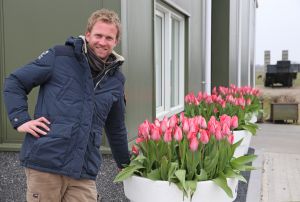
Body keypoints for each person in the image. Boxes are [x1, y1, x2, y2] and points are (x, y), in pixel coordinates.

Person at [3, 9, 130, 201]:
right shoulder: (60, 56)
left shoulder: (116, 80)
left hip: (83, 171)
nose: (102, 42)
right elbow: (15, 82)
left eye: (109, 37)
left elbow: (116, 127)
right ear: (88, 35)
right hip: (46, 165)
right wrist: (20, 119)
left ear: (116, 41)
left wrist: (125, 163)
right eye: (98, 35)